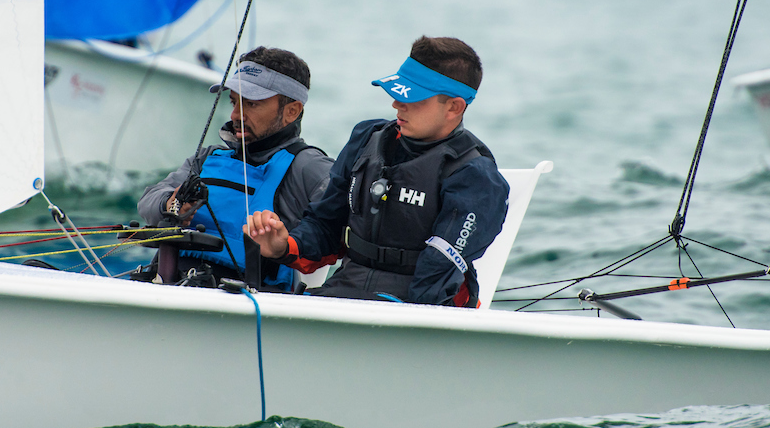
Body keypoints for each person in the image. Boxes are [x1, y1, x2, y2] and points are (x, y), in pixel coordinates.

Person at [245, 36, 510, 307]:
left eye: (412, 97)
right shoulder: (366, 137)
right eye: (397, 91)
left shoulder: (476, 176)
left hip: (418, 306)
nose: (396, 104)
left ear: (454, 107)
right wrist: (283, 245)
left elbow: (437, 276)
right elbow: (325, 225)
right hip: (345, 289)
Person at [138, 47, 334, 291]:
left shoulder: (310, 167)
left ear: (291, 111)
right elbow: (147, 201)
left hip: (244, 304)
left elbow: (336, 231)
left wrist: (285, 244)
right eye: (233, 102)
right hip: (168, 285)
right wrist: (171, 203)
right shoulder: (207, 157)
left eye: (251, 104)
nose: (235, 115)